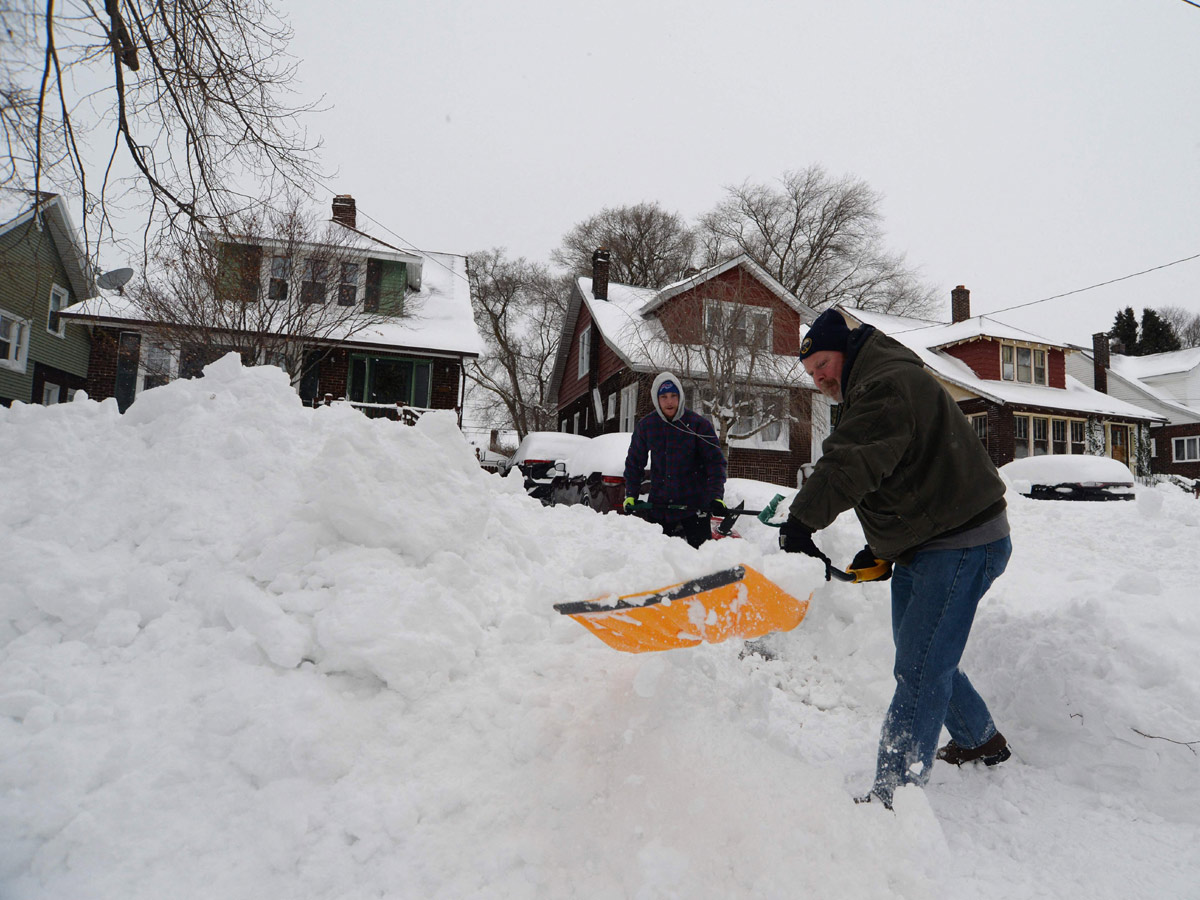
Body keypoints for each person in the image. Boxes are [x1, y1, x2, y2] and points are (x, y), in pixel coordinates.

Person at [779, 308, 1013, 809]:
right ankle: (978, 738)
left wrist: (801, 522)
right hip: (927, 541)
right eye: (811, 371)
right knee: (923, 655)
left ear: (845, 349)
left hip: (962, 541)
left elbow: (851, 462)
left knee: (921, 665)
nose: (819, 377)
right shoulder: (868, 386)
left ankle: (895, 795)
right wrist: (882, 546)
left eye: (822, 362)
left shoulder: (885, 384)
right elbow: (893, 473)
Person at [622, 372, 728, 548]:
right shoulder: (647, 426)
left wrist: (715, 497)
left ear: (680, 396)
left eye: (673, 396)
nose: (669, 401)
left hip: (694, 507)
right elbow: (634, 463)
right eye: (663, 397)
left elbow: (715, 464)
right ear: (657, 399)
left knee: (700, 560)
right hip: (660, 508)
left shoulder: (698, 425)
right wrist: (631, 495)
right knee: (659, 560)